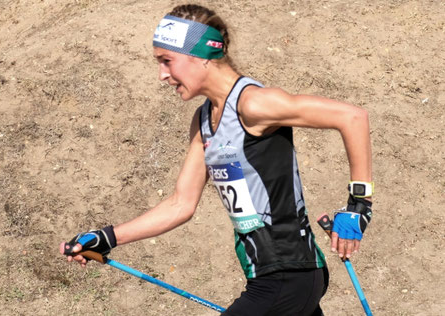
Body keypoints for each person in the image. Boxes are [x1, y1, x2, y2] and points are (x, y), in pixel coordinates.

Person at [60, 4, 374, 316]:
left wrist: (358, 206)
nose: (162, 75)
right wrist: (107, 237)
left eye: (167, 61)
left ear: (201, 55)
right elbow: (181, 204)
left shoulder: (253, 104)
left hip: (287, 277)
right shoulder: (205, 121)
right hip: (273, 278)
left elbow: (352, 117)